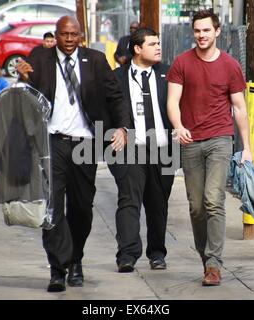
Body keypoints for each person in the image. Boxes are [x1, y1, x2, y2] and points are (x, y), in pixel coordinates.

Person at [17, 16, 129, 292]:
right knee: (52, 207)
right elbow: (28, 96)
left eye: (73, 35)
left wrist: (122, 127)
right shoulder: (40, 58)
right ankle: (57, 269)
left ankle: (76, 258)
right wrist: (22, 77)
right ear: (56, 35)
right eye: (63, 34)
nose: (68, 40)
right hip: (51, 143)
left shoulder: (96, 60)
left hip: (85, 143)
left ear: (81, 36)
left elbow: (115, 96)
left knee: (81, 207)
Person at [167, 10, 253, 287]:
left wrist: (247, 147)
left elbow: (239, 108)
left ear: (218, 32)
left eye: (206, 30)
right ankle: (207, 261)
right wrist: (178, 126)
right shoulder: (181, 63)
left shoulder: (230, 65)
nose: (201, 35)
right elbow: (172, 101)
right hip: (190, 140)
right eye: (197, 31)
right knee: (196, 207)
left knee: (213, 200)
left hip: (220, 138)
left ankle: (214, 263)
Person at [110, 28, 175, 272]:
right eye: (152, 44)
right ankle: (127, 254)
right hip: (131, 149)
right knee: (128, 201)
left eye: (159, 43)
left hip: (164, 149)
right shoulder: (117, 77)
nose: (158, 47)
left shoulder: (169, 75)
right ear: (137, 49)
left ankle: (157, 253)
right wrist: (117, 129)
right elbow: (108, 110)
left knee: (158, 204)